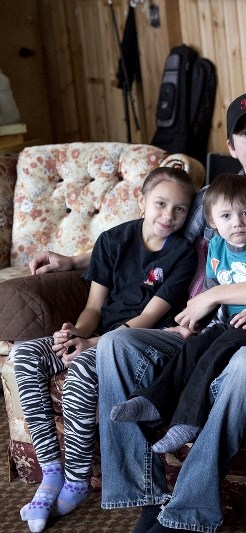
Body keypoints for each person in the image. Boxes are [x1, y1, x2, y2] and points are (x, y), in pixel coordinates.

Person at [29, 92, 246, 532]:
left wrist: (215, 295)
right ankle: (144, 491)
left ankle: (190, 507)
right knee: (117, 342)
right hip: (205, 327)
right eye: (245, 133)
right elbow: (158, 235)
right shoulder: (211, 196)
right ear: (231, 147)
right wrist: (78, 261)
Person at [13, 166, 197, 532]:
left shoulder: (182, 254)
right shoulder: (113, 241)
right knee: (25, 353)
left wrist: (90, 344)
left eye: (180, 209)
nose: (169, 216)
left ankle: (78, 479)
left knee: (82, 368)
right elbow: (94, 308)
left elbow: (149, 316)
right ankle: (51, 470)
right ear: (141, 201)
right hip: (96, 333)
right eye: (161, 204)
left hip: (137, 342)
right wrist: (73, 333)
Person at [109, 173, 246, 455]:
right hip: (232, 323)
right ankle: (152, 401)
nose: (238, 222)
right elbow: (212, 292)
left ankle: (187, 422)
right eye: (227, 215)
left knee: (217, 348)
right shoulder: (217, 247)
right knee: (194, 346)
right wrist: (193, 325)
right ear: (211, 221)